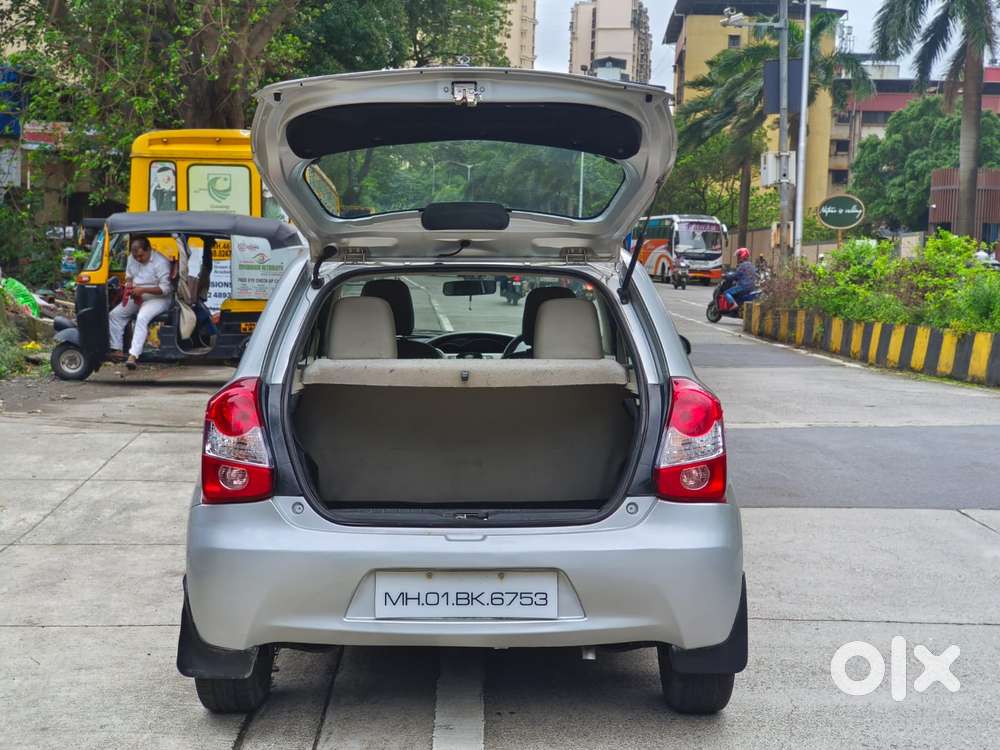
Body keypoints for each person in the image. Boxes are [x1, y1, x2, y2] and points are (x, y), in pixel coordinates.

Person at [108, 237, 172, 369]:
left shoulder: (161, 262)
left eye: (141, 256)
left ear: (149, 250)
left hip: (158, 298)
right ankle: (117, 350)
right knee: (115, 315)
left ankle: (133, 356)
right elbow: (129, 276)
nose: (138, 259)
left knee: (142, 317)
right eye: (135, 256)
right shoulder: (132, 257)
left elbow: (165, 289)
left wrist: (142, 290)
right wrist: (130, 286)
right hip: (137, 294)